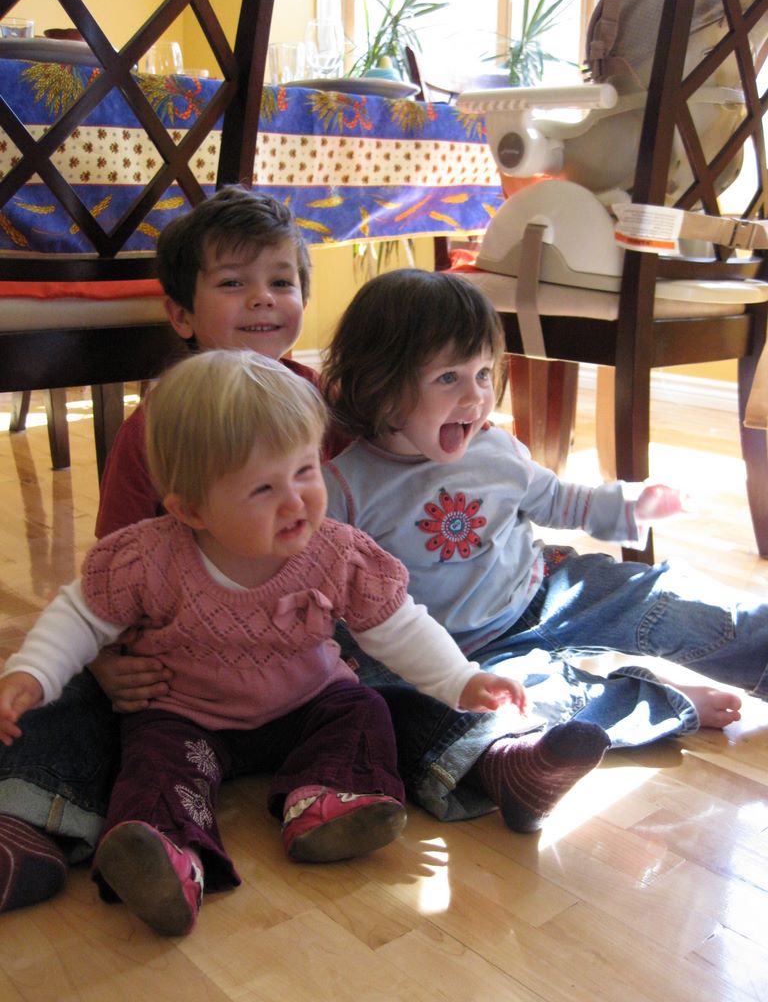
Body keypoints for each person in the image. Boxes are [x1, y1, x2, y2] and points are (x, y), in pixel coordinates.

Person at [0, 349, 533, 937]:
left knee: (364, 709)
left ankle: (328, 804)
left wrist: (461, 677)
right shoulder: (148, 557)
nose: (296, 500)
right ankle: (167, 855)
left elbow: (398, 625)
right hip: (186, 717)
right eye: (262, 488)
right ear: (190, 508)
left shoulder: (336, 552)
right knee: (152, 760)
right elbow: (81, 615)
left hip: (308, 705)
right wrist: (32, 673)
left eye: (305, 471)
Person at [320, 268, 758, 824]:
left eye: (483, 373)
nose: (476, 396)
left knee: (664, 599)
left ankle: (759, 637)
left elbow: (561, 501)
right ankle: (660, 706)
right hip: (454, 662)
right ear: (379, 385)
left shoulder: (497, 449)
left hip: (544, 593)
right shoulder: (343, 489)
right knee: (513, 707)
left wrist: (632, 505)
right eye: (449, 377)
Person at [0, 186, 333, 914]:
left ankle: (351, 790)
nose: (263, 298)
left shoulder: (321, 404)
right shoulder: (154, 430)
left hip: (295, 658)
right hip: (175, 668)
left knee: (389, 681)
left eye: (281, 281)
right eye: (234, 282)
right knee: (59, 689)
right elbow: (109, 572)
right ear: (181, 315)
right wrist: (105, 660)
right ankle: (28, 824)